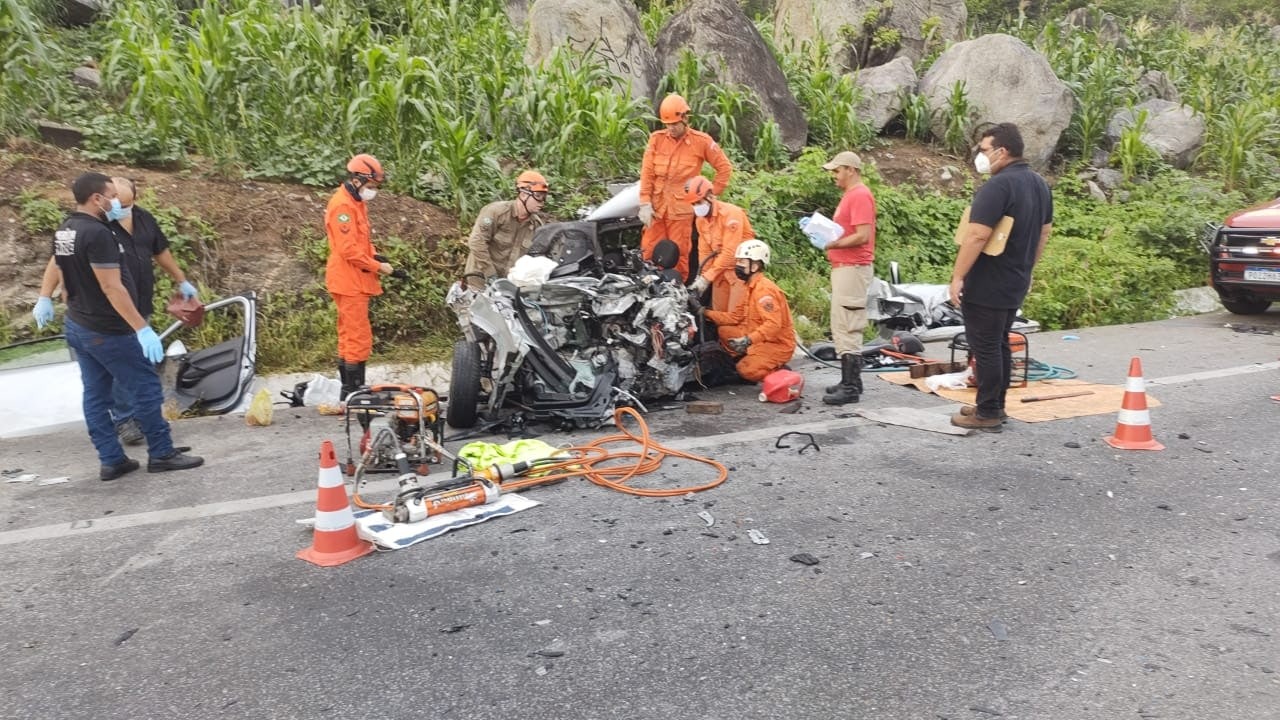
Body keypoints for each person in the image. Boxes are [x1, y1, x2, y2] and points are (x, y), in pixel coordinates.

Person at [52, 172, 203, 480]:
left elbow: (64, 277)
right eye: (112, 196)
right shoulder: (99, 234)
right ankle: (161, 453)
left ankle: (111, 459)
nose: (116, 202)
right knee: (146, 388)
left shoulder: (65, 230)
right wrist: (140, 328)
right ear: (97, 198)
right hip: (109, 328)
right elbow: (112, 288)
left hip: (79, 324)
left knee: (95, 394)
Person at [948, 123, 1053, 432]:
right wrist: (1028, 268)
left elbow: (977, 236)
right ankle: (992, 404)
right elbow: (1044, 233)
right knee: (999, 344)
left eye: (983, 150)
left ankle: (989, 411)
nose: (980, 156)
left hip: (989, 281)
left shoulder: (997, 186)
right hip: (1015, 278)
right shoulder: (1039, 185)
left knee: (987, 347)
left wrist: (957, 277)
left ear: (1001, 151)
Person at [638, 93, 733, 281]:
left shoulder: (701, 141)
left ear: (684, 118)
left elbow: (724, 168)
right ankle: (646, 287)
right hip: (656, 209)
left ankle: (675, 292)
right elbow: (647, 173)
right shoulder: (656, 139)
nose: (671, 128)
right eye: (667, 124)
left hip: (681, 212)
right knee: (648, 251)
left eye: (674, 124)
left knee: (679, 254)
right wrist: (644, 203)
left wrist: (710, 195)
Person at [325, 153, 396, 400]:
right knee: (357, 336)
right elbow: (348, 251)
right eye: (372, 185)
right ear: (357, 180)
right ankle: (354, 392)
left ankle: (348, 392)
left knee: (348, 334)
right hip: (349, 280)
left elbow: (361, 242)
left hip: (353, 277)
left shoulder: (357, 203)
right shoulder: (342, 206)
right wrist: (378, 267)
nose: (373, 191)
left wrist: (378, 256)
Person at [693, 239, 796, 382]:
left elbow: (773, 325)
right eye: (738, 262)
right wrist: (704, 312)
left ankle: (778, 371)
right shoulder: (749, 287)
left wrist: (748, 340)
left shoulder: (764, 291)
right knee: (723, 331)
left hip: (776, 344)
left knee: (745, 371)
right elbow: (735, 317)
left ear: (754, 266)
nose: (737, 266)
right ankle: (751, 357)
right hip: (755, 336)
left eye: (742, 262)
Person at [820, 151, 877, 406]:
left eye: (837, 170)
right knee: (842, 322)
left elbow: (863, 235)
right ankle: (850, 381)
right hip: (846, 267)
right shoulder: (851, 196)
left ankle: (851, 386)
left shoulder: (860, 195)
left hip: (852, 266)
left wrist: (834, 243)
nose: (834, 175)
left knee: (848, 323)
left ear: (850, 170)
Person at [682, 175, 755, 323]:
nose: (696, 207)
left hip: (739, 272)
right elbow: (705, 251)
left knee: (736, 317)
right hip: (720, 273)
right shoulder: (701, 221)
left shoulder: (731, 215)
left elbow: (730, 252)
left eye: (698, 202)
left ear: (709, 197)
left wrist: (707, 277)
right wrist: (702, 276)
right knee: (719, 317)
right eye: (693, 204)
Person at [464, 171, 549, 288]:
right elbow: (477, 242)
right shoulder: (496, 212)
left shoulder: (537, 226)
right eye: (538, 197)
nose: (542, 202)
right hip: (479, 280)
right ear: (524, 194)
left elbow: (534, 260)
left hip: (507, 287)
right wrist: (490, 274)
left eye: (544, 198)